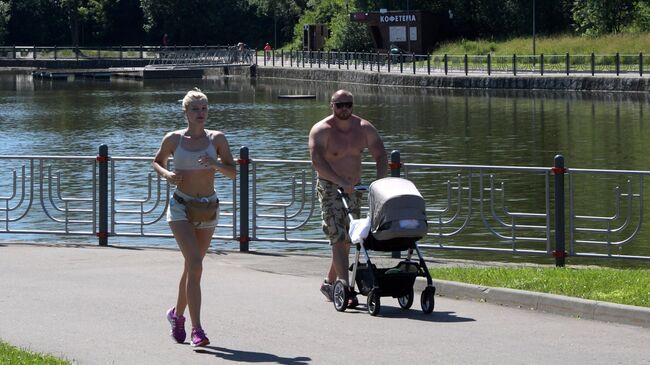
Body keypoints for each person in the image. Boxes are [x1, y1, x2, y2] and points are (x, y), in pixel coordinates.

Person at [152, 88, 236, 347]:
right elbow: (156, 161)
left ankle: (176, 316)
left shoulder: (217, 139)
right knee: (196, 264)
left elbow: (233, 172)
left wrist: (215, 165)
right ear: (185, 113)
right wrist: (167, 175)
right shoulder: (173, 139)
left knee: (192, 267)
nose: (201, 113)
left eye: (204, 108)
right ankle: (197, 330)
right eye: (195, 109)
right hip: (180, 207)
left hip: (208, 207)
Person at [308, 89, 387, 306]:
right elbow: (317, 162)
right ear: (331, 105)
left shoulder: (363, 128)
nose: (345, 109)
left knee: (350, 238)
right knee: (338, 235)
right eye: (340, 105)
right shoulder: (321, 130)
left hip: (354, 189)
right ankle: (346, 287)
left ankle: (329, 283)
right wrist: (340, 181)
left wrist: (380, 184)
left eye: (348, 104)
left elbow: (380, 154)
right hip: (330, 187)